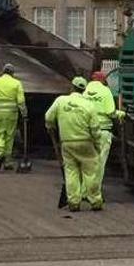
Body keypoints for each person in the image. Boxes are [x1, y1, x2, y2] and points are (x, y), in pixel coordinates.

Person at [45, 77, 102, 212]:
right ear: (84, 90)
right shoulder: (89, 105)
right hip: (85, 143)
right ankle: (95, 201)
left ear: (71, 87)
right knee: (91, 172)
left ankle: (73, 202)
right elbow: (95, 128)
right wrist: (97, 145)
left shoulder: (60, 101)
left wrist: (50, 126)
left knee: (71, 172)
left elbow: (48, 117)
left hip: (67, 143)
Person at [83, 71, 125, 197]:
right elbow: (110, 112)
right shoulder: (105, 91)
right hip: (102, 132)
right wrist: (121, 114)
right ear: (103, 80)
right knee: (99, 164)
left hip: (86, 131)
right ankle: (94, 193)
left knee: (87, 163)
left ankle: (83, 191)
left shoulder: (85, 91)